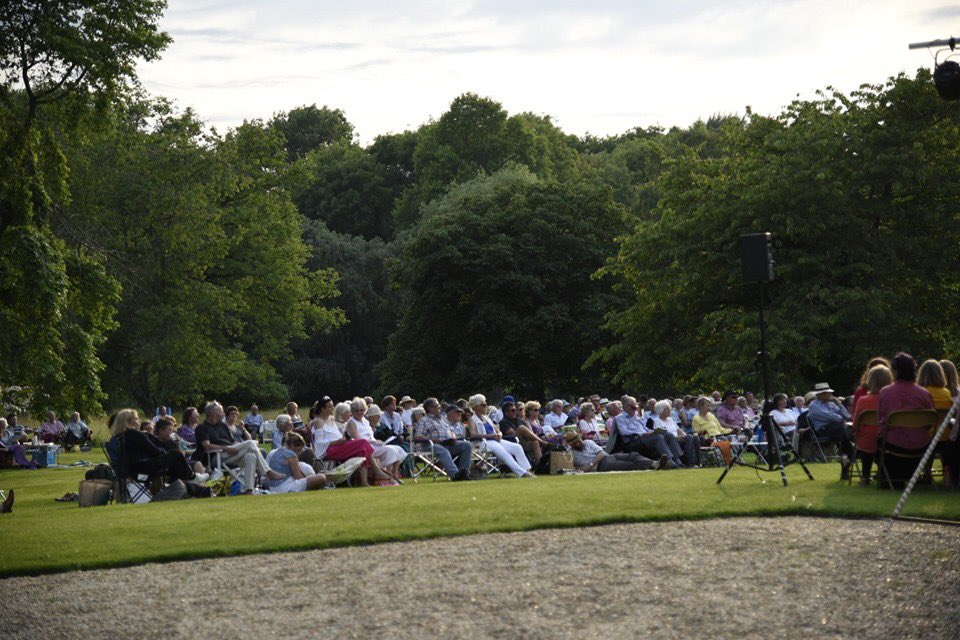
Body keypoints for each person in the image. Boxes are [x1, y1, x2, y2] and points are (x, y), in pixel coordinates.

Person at [111, 409, 210, 484]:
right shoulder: (135, 434)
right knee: (174, 454)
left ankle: (190, 483)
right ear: (129, 422)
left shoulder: (121, 436)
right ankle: (192, 478)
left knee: (174, 462)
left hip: (131, 469)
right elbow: (154, 451)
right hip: (143, 468)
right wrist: (164, 452)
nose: (139, 421)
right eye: (136, 419)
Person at [311, 396, 394, 487]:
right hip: (328, 450)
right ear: (323, 409)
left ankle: (364, 482)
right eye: (330, 407)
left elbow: (336, 435)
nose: (333, 408)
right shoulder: (318, 421)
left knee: (362, 450)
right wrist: (336, 442)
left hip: (339, 446)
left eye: (332, 406)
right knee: (363, 442)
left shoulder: (331, 419)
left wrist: (343, 439)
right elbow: (318, 444)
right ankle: (376, 470)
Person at [195, 401, 273, 493]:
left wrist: (239, 445)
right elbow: (207, 446)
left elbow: (232, 442)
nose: (223, 414)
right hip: (216, 457)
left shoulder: (223, 426)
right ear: (213, 413)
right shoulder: (202, 428)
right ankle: (267, 472)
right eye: (221, 412)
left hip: (231, 455)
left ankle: (249, 490)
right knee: (250, 443)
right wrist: (227, 448)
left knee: (251, 456)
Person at [467, 394, 533, 478]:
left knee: (517, 447)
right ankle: (522, 473)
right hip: (483, 443)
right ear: (476, 407)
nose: (486, 406)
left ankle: (527, 470)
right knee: (503, 452)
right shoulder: (472, 419)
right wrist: (491, 436)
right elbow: (473, 434)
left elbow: (497, 430)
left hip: (495, 440)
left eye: (486, 404)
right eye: (483, 405)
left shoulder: (486, 418)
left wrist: (499, 434)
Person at [852, 364, 892, 486]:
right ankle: (882, 472)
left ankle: (865, 476)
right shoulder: (890, 400)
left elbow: (856, 423)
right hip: (887, 440)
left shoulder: (863, 400)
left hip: (866, 441)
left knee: (864, 440)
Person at [347, 398, 405, 482]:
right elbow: (358, 439)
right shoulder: (352, 422)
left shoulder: (365, 421)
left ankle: (394, 474)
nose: (360, 412)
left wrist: (377, 441)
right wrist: (374, 441)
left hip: (373, 444)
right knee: (391, 450)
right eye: (357, 411)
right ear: (352, 411)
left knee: (398, 449)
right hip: (363, 447)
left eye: (362, 410)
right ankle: (388, 476)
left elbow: (370, 435)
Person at [614, 396, 682, 468]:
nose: (636, 409)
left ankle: (678, 461)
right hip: (634, 440)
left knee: (668, 434)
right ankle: (670, 462)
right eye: (634, 408)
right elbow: (624, 432)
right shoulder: (619, 418)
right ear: (627, 407)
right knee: (658, 437)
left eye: (637, 408)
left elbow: (645, 428)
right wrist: (643, 434)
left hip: (645, 437)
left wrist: (653, 431)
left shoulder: (637, 417)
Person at [413, 399, 473, 481]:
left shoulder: (443, 419)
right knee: (442, 450)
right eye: (437, 405)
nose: (439, 407)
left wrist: (453, 437)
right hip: (431, 445)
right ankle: (455, 475)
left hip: (448, 443)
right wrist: (434, 440)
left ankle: (464, 472)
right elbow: (417, 437)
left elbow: (451, 431)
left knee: (467, 445)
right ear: (430, 408)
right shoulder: (423, 421)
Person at [807, 382, 855, 479]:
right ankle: (852, 454)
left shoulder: (832, 404)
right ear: (820, 394)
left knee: (845, 435)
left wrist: (839, 404)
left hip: (838, 427)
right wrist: (845, 420)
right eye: (828, 393)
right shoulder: (814, 405)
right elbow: (831, 417)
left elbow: (847, 416)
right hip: (824, 429)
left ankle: (845, 456)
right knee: (847, 431)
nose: (830, 395)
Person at [564, 431, 662, 472]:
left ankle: (655, 463)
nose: (579, 442)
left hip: (607, 457)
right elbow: (576, 469)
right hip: (602, 465)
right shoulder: (571, 454)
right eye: (576, 442)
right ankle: (655, 465)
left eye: (579, 440)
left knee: (633, 455)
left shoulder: (588, 442)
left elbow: (602, 452)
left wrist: (591, 463)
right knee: (629, 464)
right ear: (571, 444)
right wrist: (589, 466)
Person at [652, 400, 701, 466]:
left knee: (693, 437)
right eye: (667, 409)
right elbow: (662, 435)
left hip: (679, 438)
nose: (670, 410)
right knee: (689, 438)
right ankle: (691, 463)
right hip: (670, 441)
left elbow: (679, 430)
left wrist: (684, 436)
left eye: (670, 408)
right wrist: (676, 437)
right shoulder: (656, 421)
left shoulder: (670, 419)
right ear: (661, 411)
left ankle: (698, 462)